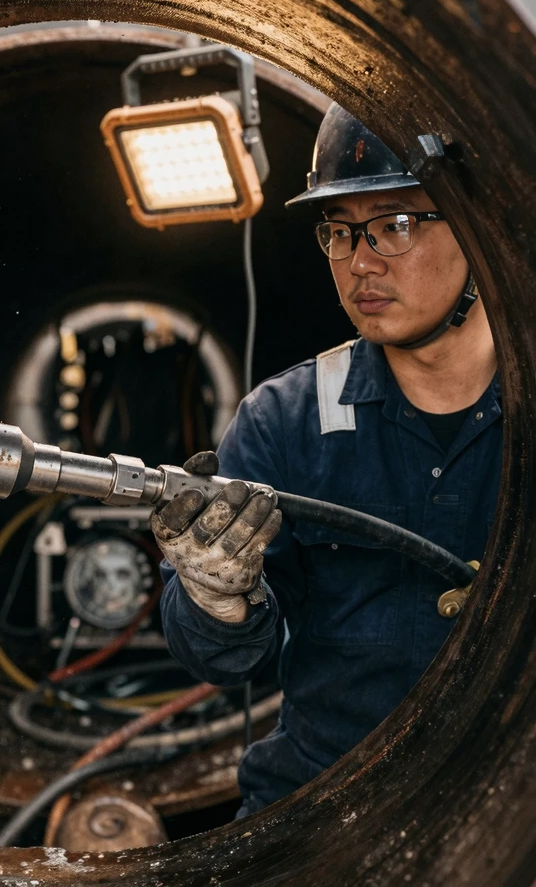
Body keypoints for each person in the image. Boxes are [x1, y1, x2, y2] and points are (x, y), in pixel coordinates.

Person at [154, 103, 502, 817]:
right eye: (338, 233)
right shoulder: (285, 420)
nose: (361, 262)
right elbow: (228, 663)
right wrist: (216, 599)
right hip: (324, 809)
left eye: (395, 224)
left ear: (480, 229)